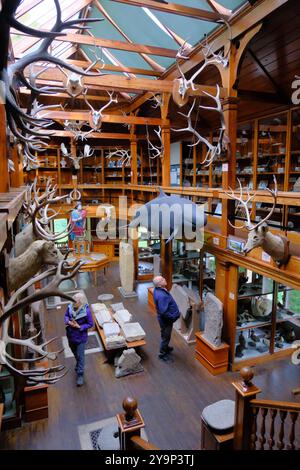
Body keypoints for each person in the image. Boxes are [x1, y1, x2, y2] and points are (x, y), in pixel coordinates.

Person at [64, 292, 94, 386]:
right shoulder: (69, 307)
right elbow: (66, 316)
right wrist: (68, 321)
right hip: (70, 335)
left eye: (75, 301)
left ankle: (80, 375)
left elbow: (90, 324)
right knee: (74, 351)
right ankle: (78, 363)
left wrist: (79, 326)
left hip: (80, 337)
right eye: (73, 300)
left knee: (81, 356)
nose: (73, 302)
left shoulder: (87, 311)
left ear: (81, 302)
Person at [153, 276, 180, 363]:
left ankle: (166, 347)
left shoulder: (158, 290)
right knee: (166, 337)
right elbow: (163, 312)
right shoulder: (162, 296)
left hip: (164, 320)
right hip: (166, 320)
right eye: (162, 279)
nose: (165, 279)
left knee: (164, 334)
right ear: (159, 284)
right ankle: (162, 354)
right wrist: (173, 317)